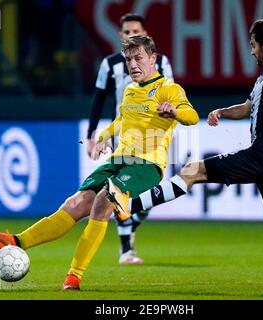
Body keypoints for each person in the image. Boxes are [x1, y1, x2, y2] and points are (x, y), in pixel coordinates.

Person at [107, 19, 263, 292]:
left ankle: (128, 205)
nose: (251, 52)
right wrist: (223, 112)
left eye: (252, 45)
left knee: (193, 170)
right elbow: (249, 107)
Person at [0, 35, 199, 290]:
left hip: (146, 165)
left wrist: (174, 112)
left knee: (103, 201)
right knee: (74, 203)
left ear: (153, 59)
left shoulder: (168, 89)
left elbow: (192, 116)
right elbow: (122, 121)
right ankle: (15, 241)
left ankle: (74, 276)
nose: (133, 64)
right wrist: (102, 137)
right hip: (118, 159)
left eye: (139, 58)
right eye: (129, 59)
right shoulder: (130, 89)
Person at [87, 13, 174, 265]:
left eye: (136, 31)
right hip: (123, 138)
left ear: (145, 33)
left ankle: (132, 222)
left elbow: (170, 93)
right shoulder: (110, 64)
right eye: (126, 32)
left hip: (153, 136)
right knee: (116, 191)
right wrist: (92, 135)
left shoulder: (162, 62)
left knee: (144, 198)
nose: (131, 35)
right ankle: (126, 249)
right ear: (120, 35)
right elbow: (98, 99)